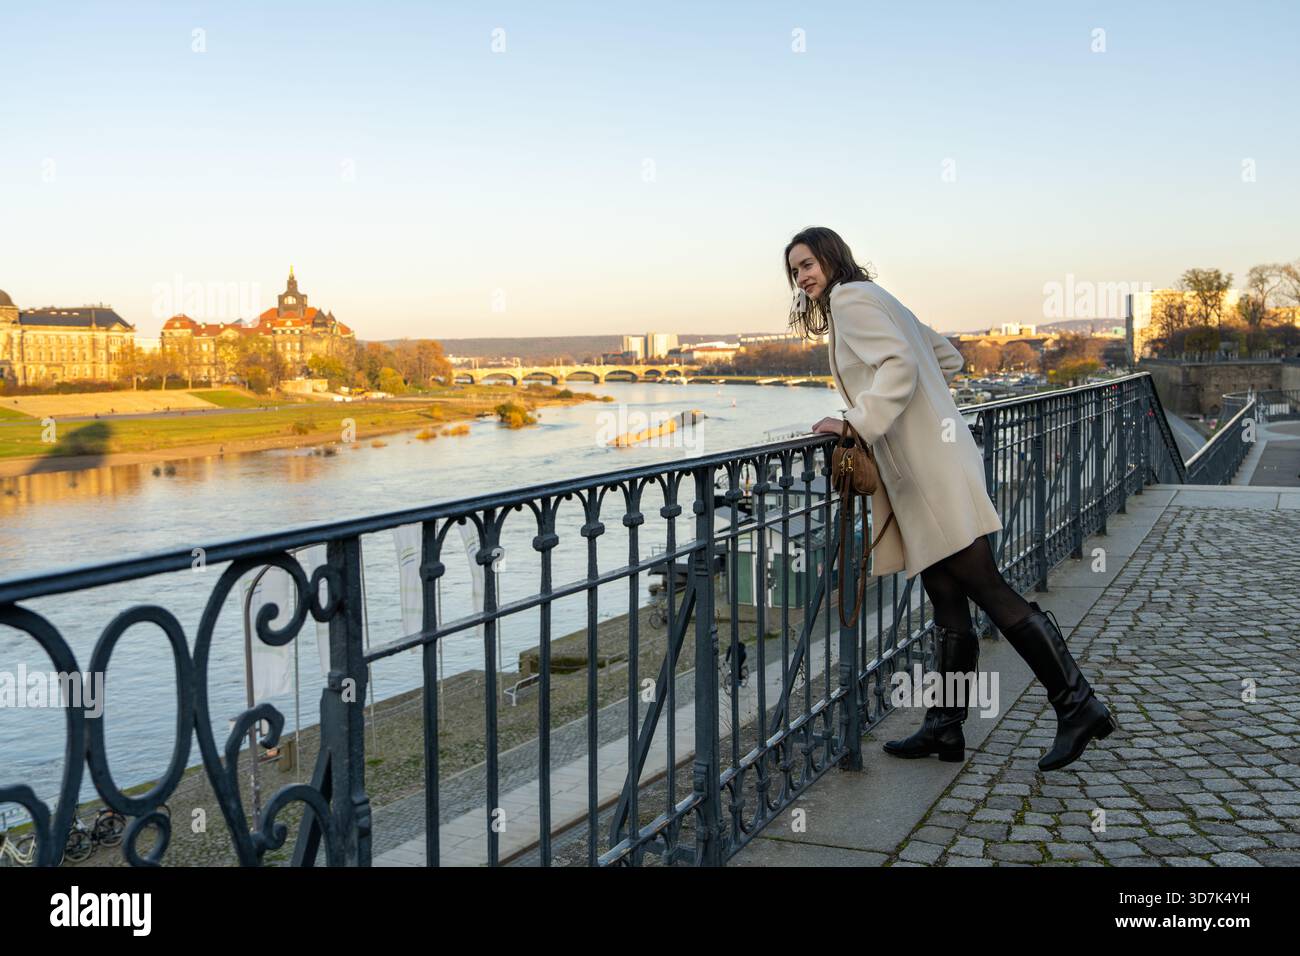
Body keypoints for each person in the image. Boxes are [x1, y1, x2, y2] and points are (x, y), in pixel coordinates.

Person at [785, 226, 1117, 772]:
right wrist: (927, 412)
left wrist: (858, 421)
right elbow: (948, 358)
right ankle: (945, 727)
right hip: (931, 463)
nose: (804, 275)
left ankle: (1078, 705)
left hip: (928, 471)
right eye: (795, 270)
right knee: (945, 593)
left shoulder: (849, 300)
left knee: (987, 587)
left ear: (831, 257)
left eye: (809, 263)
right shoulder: (878, 295)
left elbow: (900, 365)